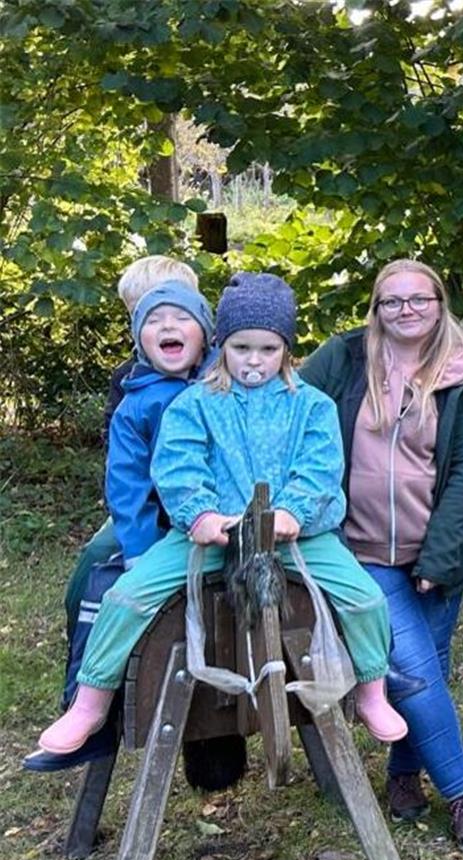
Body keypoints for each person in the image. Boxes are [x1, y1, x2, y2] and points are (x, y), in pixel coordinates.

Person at [39, 272, 407, 755]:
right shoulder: (194, 404)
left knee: (365, 599)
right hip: (212, 537)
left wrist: (293, 511)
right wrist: (200, 515)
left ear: (287, 351)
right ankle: (90, 701)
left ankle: (370, 690)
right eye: (241, 348)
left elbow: (320, 468)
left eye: (268, 350)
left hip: (299, 538)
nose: (254, 361)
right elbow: (177, 466)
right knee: (125, 597)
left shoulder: (311, 406)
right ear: (222, 347)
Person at [301, 258, 463, 847]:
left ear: (439, 305)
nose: (406, 310)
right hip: (358, 551)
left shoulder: (461, 372)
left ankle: (404, 773)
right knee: (413, 673)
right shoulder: (345, 357)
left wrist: (437, 560)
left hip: (438, 553)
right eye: (393, 301)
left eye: (419, 299)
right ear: (376, 308)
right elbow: (287, 406)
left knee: (430, 669)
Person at [25, 279, 218, 772]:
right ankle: (87, 712)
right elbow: (127, 488)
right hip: (158, 528)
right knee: (103, 587)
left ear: (207, 334)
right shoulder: (138, 400)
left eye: (180, 318)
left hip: (223, 527)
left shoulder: (227, 383)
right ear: (137, 338)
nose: (167, 327)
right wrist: (140, 550)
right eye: (152, 320)